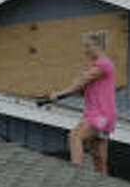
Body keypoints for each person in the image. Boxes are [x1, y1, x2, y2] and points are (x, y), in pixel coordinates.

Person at [50, 34, 117, 175]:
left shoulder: (103, 64)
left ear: (97, 46)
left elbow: (82, 81)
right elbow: (82, 88)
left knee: (75, 136)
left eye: (88, 46)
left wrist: (59, 94)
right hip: (101, 115)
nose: (85, 50)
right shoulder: (95, 67)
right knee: (98, 157)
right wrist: (78, 85)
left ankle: (76, 175)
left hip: (100, 114)